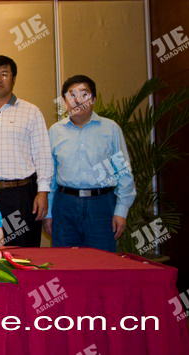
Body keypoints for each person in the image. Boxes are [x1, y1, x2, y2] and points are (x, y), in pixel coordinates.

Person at [0, 55, 52, 247]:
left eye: (4, 74)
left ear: (13, 78)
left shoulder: (31, 111)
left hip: (22, 194)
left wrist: (43, 192)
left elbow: (43, 155)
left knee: (24, 251)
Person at [44, 75, 135, 252]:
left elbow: (123, 172)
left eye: (84, 94)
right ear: (65, 101)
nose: (77, 100)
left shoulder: (110, 129)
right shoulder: (55, 131)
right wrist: (48, 213)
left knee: (102, 261)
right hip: (64, 205)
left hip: (101, 205)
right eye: (72, 95)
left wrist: (121, 211)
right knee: (65, 261)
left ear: (93, 99)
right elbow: (50, 176)